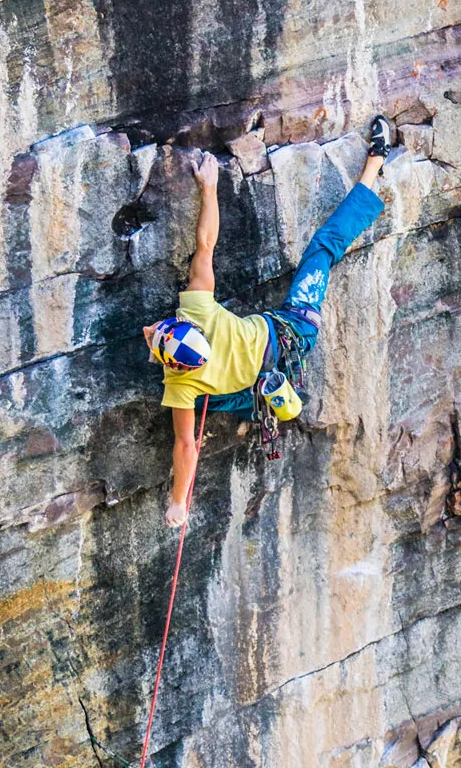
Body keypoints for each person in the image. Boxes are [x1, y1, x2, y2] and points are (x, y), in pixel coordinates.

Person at [145, 116, 395, 528]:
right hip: (292, 330)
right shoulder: (195, 312)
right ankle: (374, 167)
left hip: (291, 341)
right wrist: (210, 187)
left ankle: (374, 166)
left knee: (200, 403)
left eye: (154, 333)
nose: (149, 329)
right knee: (323, 249)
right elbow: (205, 244)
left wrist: (179, 503)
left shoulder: (181, 384)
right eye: (156, 334)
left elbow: (186, 444)